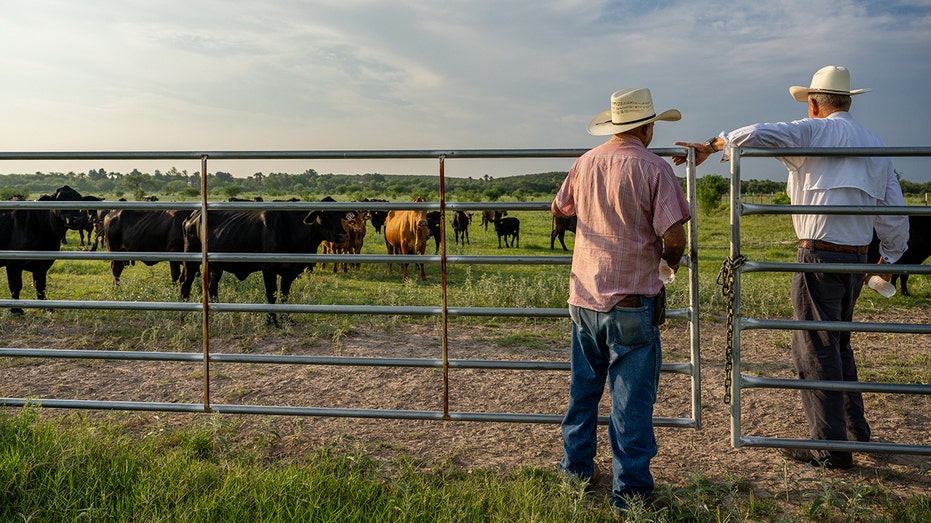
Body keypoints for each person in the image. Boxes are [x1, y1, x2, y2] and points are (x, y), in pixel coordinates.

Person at [674, 65, 909, 469]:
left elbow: (754, 132)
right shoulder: (875, 144)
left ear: (815, 104)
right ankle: (854, 430)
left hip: (818, 254)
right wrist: (888, 257)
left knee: (815, 348)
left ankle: (830, 448)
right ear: (848, 101)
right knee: (839, 342)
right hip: (857, 258)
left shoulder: (813, 131)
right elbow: (893, 211)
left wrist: (714, 145)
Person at [552, 87, 690, 510]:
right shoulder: (654, 168)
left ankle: (574, 472)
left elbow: (560, 209)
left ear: (615, 125)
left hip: (584, 299)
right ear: (647, 127)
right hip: (631, 301)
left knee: (583, 391)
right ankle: (630, 495)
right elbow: (674, 234)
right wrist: (667, 268)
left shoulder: (585, 162)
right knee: (630, 403)